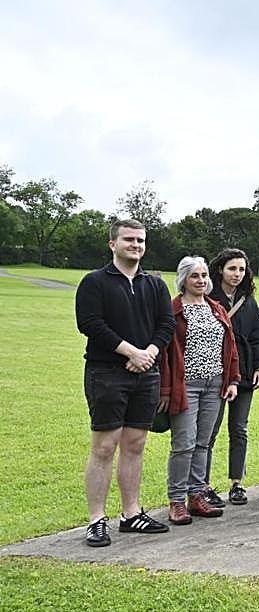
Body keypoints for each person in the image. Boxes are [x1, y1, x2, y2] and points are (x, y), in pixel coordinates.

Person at [75, 219, 174, 546]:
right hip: (106, 373)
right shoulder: (95, 282)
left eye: (140, 240)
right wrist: (131, 352)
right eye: (129, 239)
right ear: (113, 244)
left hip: (146, 373)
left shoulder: (155, 284)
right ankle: (96, 519)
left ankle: (131, 514)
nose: (136, 245)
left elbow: (166, 325)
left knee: (135, 444)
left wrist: (149, 353)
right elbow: (90, 324)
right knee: (104, 447)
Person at [158, 256, 240, 524]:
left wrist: (232, 380)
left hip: (215, 385)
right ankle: (176, 501)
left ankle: (197, 495)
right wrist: (166, 389)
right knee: (184, 444)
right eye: (195, 276)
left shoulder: (216, 308)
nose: (201, 280)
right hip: (186, 386)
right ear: (183, 279)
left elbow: (230, 346)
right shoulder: (173, 310)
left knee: (203, 443)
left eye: (204, 275)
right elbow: (165, 354)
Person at [205, 247, 259, 506]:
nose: (237, 274)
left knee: (239, 429)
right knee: (209, 431)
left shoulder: (248, 300)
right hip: (216, 372)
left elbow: (258, 337)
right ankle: (202, 486)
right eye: (232, 268)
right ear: (220, 269)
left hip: (244, 371)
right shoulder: (207, 297)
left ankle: (236, 483)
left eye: (241, 269)